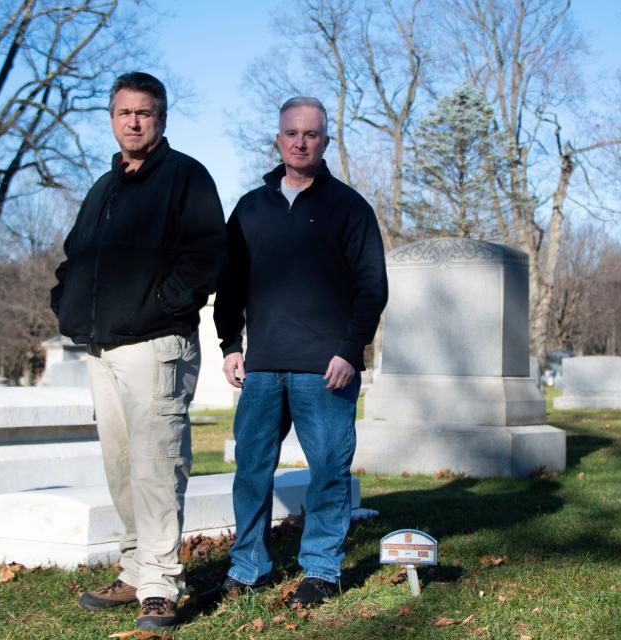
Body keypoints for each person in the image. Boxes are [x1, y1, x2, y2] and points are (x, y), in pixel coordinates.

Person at [50, 71, 226, 630]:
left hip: (155, 345)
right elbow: (75, 254)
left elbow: (205, 257)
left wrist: (156, 306)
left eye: (144, 113)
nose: (133, 121)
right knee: (121, 465)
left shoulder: (184, 177)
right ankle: (134, 569)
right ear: (112, 118)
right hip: (103, 348)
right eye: (124, 112)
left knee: (157, 466)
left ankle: (161, 583)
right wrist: (67, 304)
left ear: (162, 118)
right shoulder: (104, 187)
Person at [213, 96, 388, 607]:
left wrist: (349, 349)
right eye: (292, 133)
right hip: (263, 366)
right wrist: (230, 343)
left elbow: (371, 285)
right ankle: (247, 567)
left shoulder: (349, 208)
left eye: (312, 134)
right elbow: (231, 282)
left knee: (329, 470)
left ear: (326, 142)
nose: (300, 142)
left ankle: (321, 570)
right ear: (278, 139)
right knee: (250, 470)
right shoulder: (250, 207)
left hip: (326, 367)